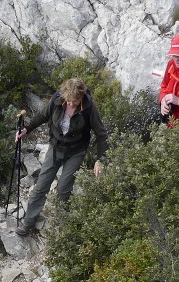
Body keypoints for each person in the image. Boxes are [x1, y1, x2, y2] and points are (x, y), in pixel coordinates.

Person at [14, 77, 109, 237]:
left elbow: (101, 134)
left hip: (76, 151)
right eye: (69, 100)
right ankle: (28, 223)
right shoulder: (57, 100)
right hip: (56, 147)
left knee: (64, 188)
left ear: (81, 97)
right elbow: (42, 116)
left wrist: (100, 160)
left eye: (75, 101)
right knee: (41, 185)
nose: (71, 104)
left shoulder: (89, 107)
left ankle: (63, 223)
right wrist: (26, 129)